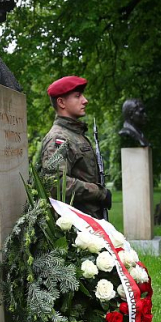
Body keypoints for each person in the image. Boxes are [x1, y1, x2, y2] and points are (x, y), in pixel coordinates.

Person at [39, 75, 111, 219]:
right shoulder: (59, 138)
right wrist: (99, 192)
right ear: (61, 102)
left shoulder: (74, 134)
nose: (85, 100)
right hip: (75, 226)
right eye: (77, 96)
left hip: (87, 220)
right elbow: (55, 183)